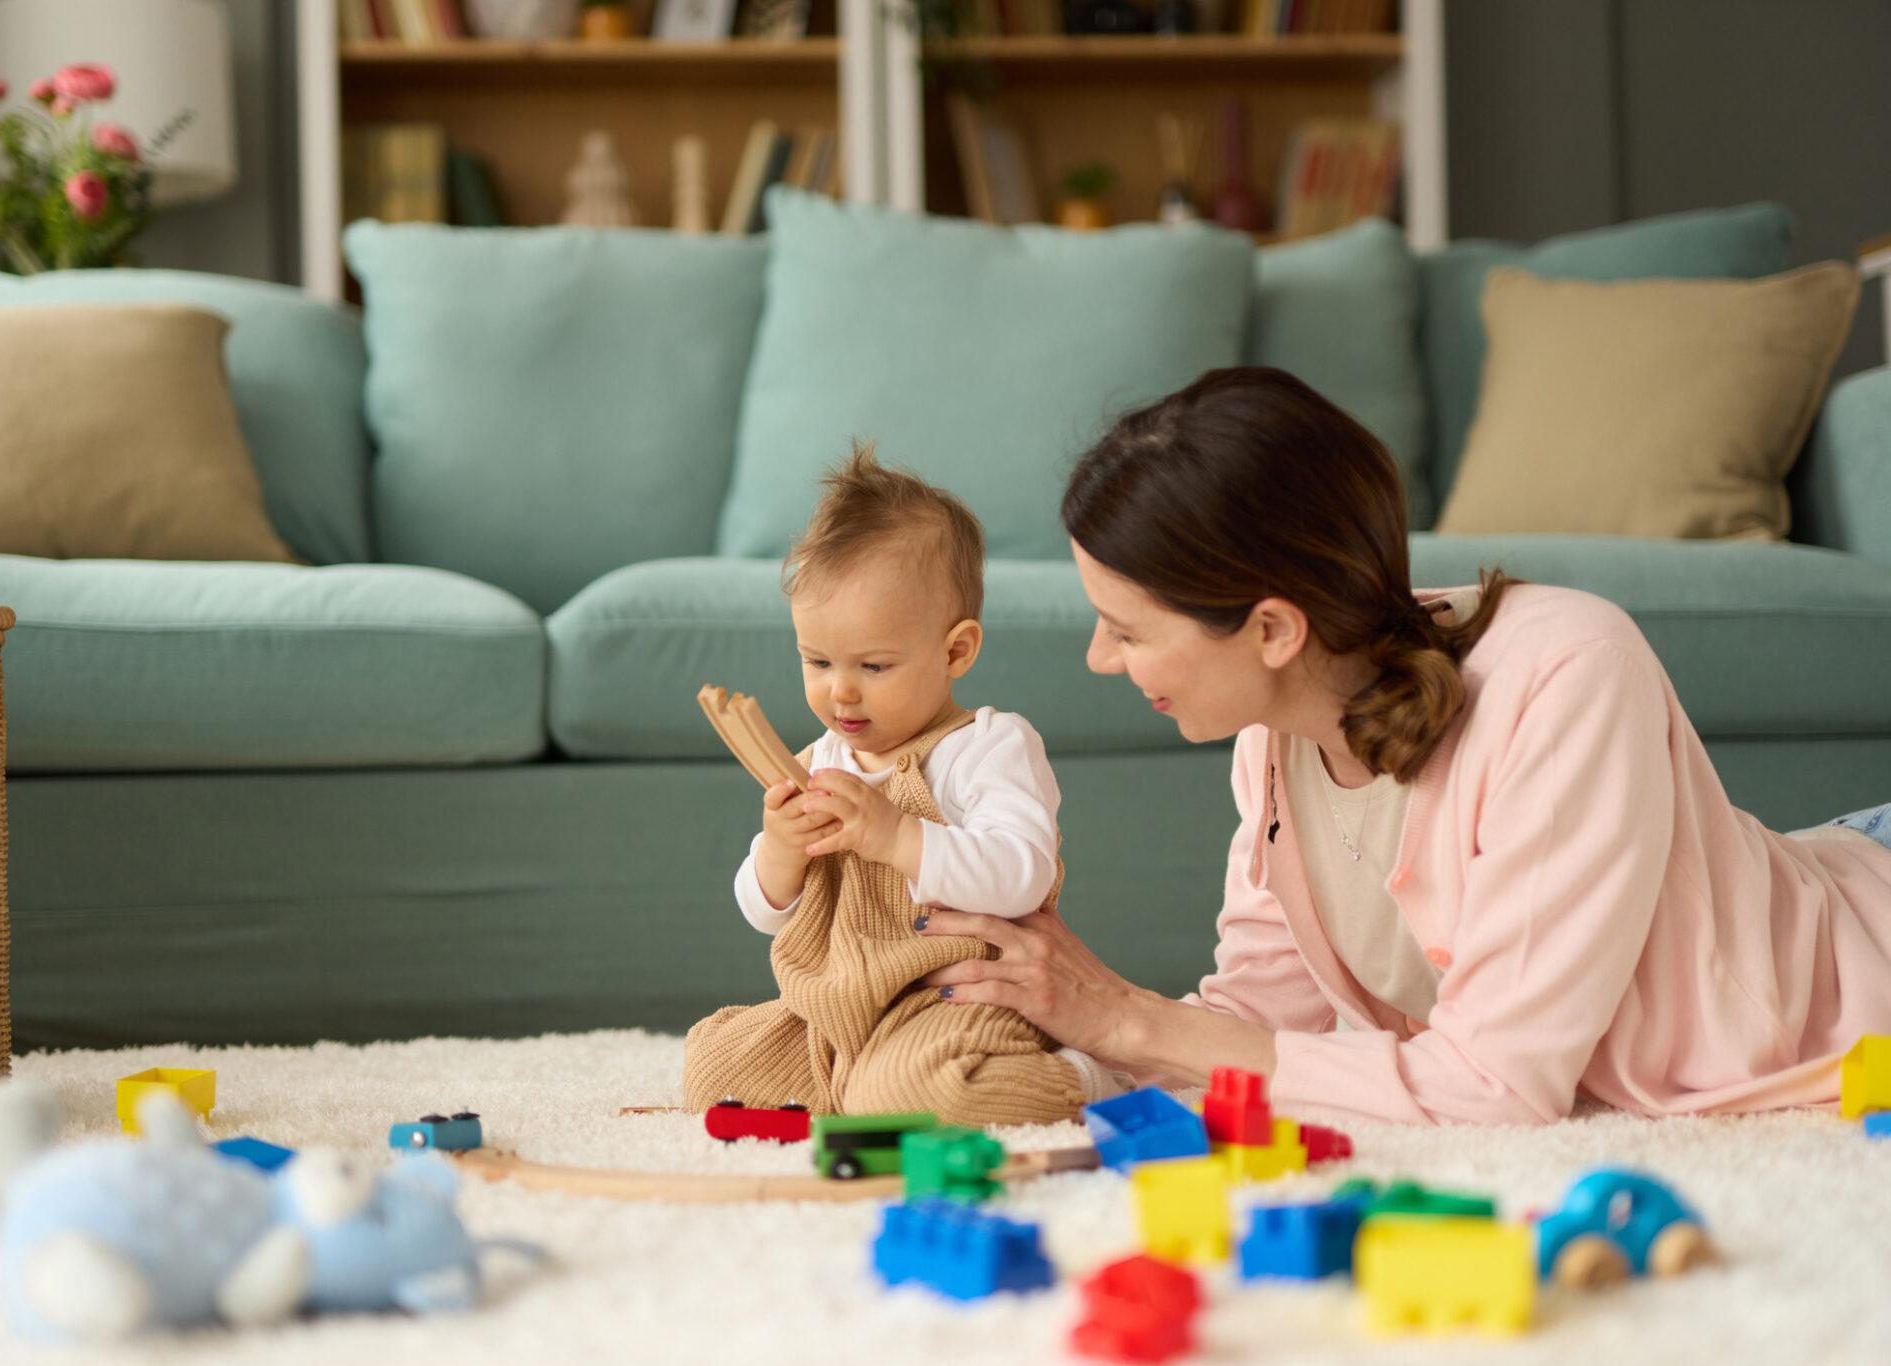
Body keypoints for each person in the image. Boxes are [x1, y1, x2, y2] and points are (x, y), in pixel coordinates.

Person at [917, 366, 1891, 1127]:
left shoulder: (1564, 671)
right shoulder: (1274, 739)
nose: (1096, 657)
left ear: (1269, 629)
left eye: (1125, 629)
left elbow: (1496, 1087)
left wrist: (1125, 1018)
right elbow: (1259, 1022)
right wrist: (1050, 1042)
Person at [681, 443, 1119, 1127]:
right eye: (817, 660)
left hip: (951, 1002)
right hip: (839, 1011)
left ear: (956, 651)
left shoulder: (988, 746)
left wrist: (896, 835)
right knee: (712, 1066)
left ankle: (1083, 1074)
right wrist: (780, 853)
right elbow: (763, 912)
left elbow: (1023, 875)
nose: (840, 690)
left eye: (875, 665)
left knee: (923, 1094)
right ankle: (851, 1090)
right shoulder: (821, 758)